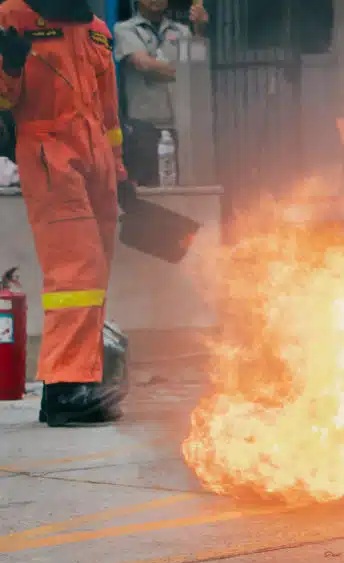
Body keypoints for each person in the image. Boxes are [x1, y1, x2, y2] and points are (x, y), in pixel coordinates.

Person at [0, 0, 130, 425]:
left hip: (98, 160)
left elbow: (108, 114)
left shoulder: (96, 29)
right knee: (76, 270)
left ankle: (79, 378)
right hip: (49, 154)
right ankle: (64, 387)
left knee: (94, 274)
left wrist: (120, 170)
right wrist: (9, 65)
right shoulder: (13, 16)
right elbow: (4, 99)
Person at [114, 0, 208, 185]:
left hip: (180, 127)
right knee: (148, 189)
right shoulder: (125, 29)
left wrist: (199, 30)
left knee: (183, 186)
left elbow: (198, 67)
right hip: (143, 128)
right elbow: (144, 64)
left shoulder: (182, 31)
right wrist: (183, 69)